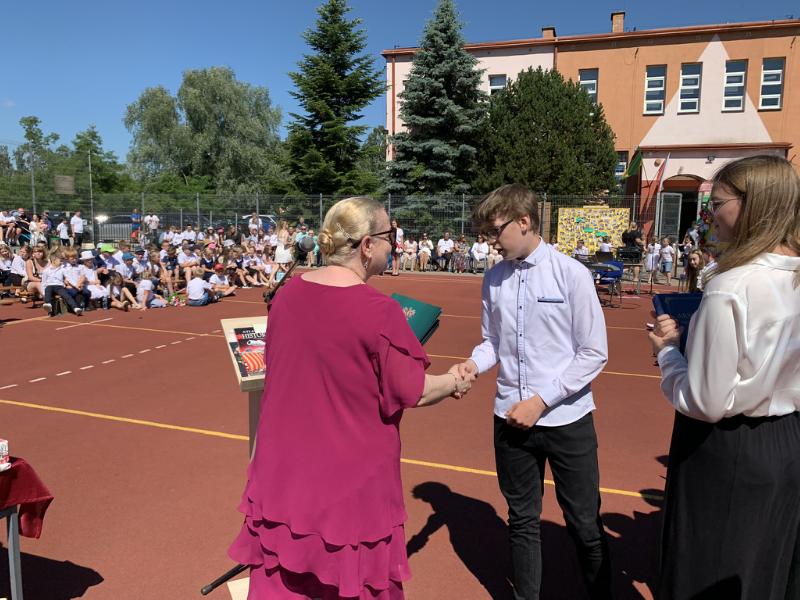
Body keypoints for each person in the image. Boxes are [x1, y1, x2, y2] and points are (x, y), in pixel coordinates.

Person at [228, 196, 473, 599]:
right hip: (346, 482)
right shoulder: (380, 311)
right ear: (367, 245)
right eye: (391, 235)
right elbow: (413, 390)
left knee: (286, 580)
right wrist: (453, 381)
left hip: (284, 473)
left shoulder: (287, 295)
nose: (395, 243)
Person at [648, 155, 800, 599]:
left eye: (717, 203)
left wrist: (668, 354)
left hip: (727, 449)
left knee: (705, 574)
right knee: (769, 572)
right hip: (787, 441)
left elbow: (707, 402)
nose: (709, 214)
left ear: (751, 205)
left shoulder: (731, 286)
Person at [452, 183, 611, 600]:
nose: (490, 241)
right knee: (522, 520)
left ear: (524, 221)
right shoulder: (494, 279)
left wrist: (540, 401)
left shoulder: (571, 274)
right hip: (510, 419)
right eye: (486, 233)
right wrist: (473, 364)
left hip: (567, 420)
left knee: (584, 523)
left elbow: (593, 353)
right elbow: (492, 342)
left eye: (495, 231)